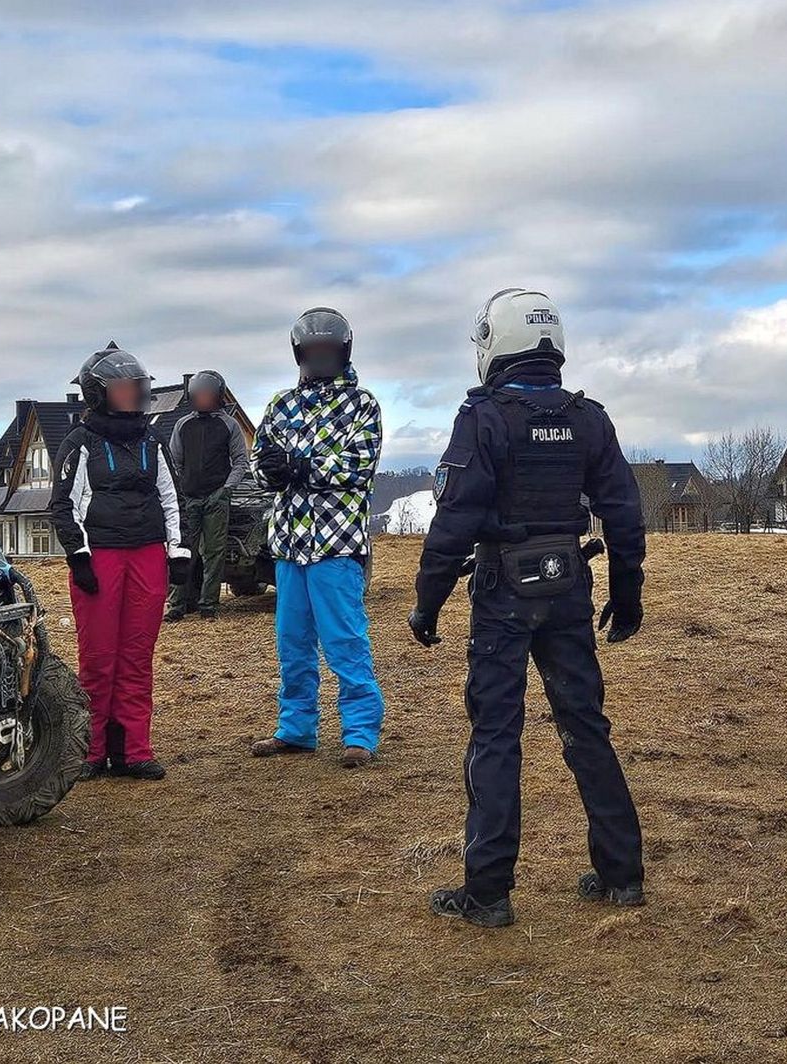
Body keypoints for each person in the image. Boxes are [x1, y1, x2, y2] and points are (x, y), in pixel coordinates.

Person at [407, 288, 647, 928]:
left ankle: (488, 891)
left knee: (495, 734)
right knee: (585, 725)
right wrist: (628, 595)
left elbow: (453, 520)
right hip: (568, 585)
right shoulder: (587, 417)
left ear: (494, 342)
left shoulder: (485, 418)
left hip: (504, 592)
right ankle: (622, 874)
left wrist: (426, 605)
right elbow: (623, 510)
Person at [249, 308, 386, 768]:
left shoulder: (363, 405)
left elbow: (359, 464)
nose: (320, 358)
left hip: (336, 544)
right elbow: (260, 462)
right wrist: (270, 469)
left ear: (343, 351)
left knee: (345, 640)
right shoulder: (280, 405)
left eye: (328, 350)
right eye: (313, 351)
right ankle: (296, 728)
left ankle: (360, 733)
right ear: (299, 353)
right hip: (288, 545)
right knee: (292, 641)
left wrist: (302, 467)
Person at [50, 342, 191, 781]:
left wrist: (178, 551)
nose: (133, 395)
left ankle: (134, 750)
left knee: (136, 655)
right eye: (123, 389)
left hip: (147, 555)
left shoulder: (153, 442)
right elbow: (62, 505)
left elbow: (172, 499)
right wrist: (79, 557)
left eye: (136, 388)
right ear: (98, 393)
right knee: (98, 658)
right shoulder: (79, 443)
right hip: (101, 559)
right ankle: (91, 752)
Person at [165, 370, 249, 621]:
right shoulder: (183, 424)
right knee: (182, 552)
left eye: (207, 394)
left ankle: (208, 606)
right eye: (198, 394)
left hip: (216, 499)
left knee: (213, 554)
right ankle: (177, 606)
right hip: (188, 498)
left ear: (218, 396)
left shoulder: (229, 424)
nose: (202, 398)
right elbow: (173, 461)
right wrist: (179, 490)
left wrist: (226, 490)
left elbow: (240, 461)